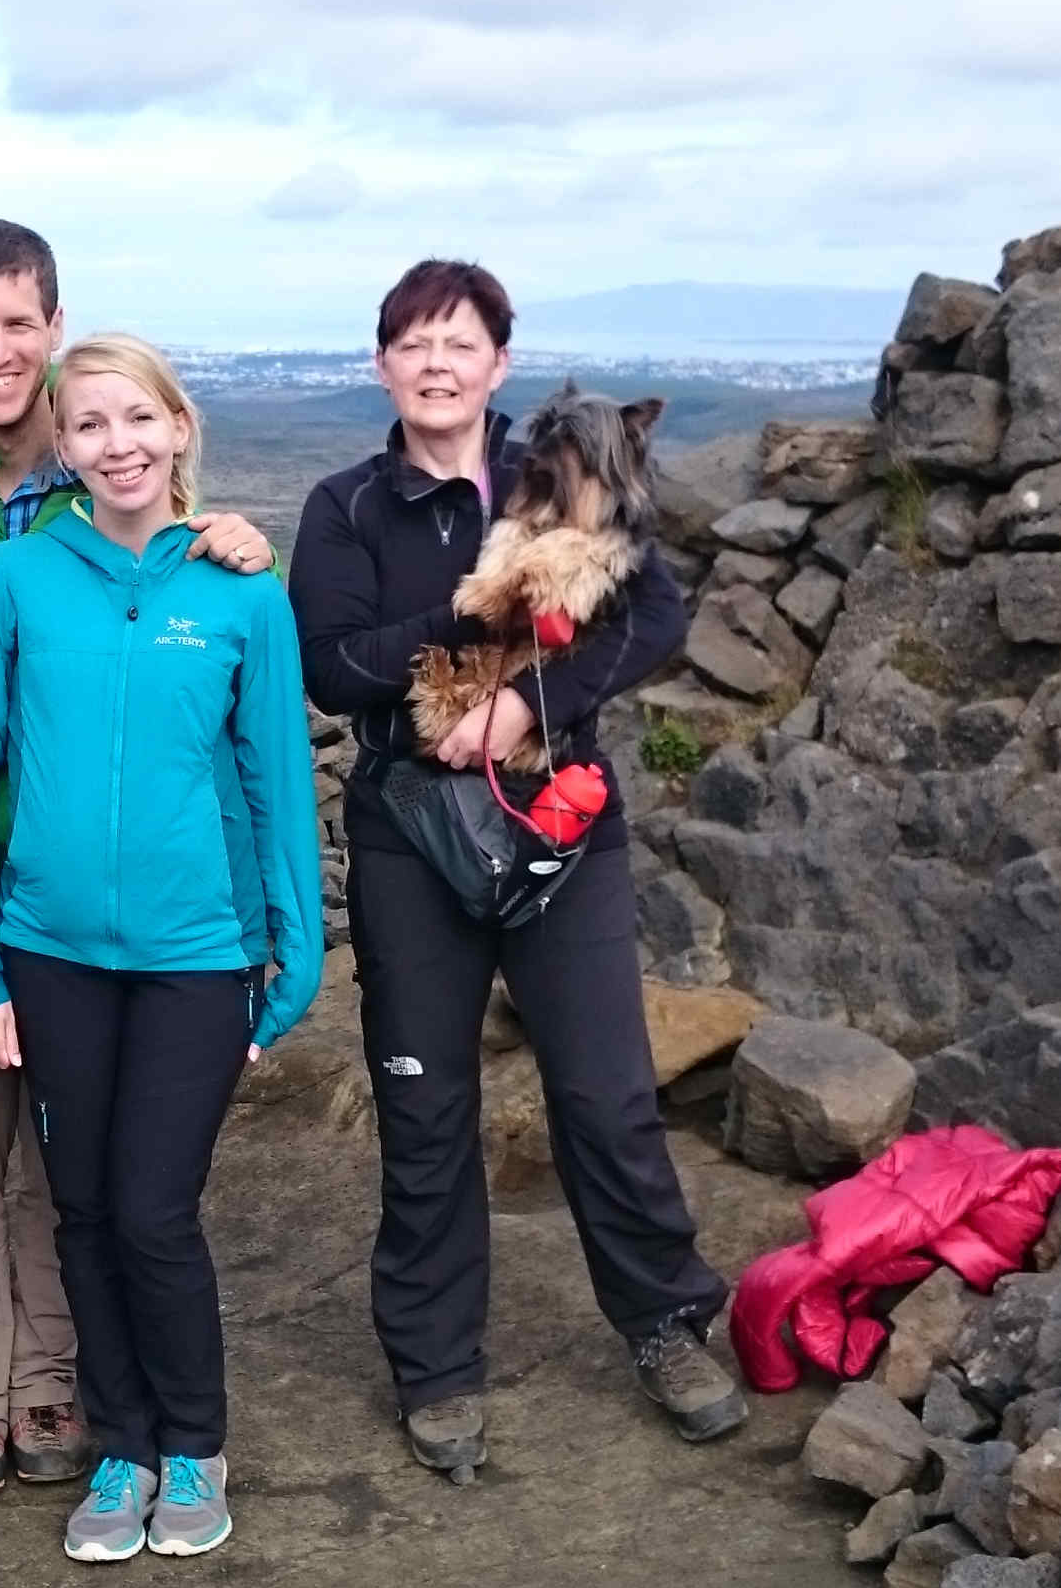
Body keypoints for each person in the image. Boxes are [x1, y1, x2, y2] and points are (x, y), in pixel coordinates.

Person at [285, 259, 752, 1482]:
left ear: (499, 359)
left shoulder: (558, 464)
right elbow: (331, 667)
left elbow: (655, 612)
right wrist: (471, 624)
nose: (435, 364)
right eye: (411, 344)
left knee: (604, 1093)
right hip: (409, 836)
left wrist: (531, 696)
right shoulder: (346, 507)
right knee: (426, 1108)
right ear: (383, 364)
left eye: (460, 343)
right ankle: (438, 1367)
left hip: (558, 820)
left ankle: (664, 1324)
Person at [0, 219, 279, 1500]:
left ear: (53, 326)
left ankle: (62, 1392)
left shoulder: (114, 469)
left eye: (18, 322)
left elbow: (184, 590)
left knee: (77, 1177)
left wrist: (231, 534)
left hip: (124, 901)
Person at [0, 334, 321, 1563]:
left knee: (155, 1210)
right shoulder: (11, 582)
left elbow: (276, 780)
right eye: (90, 426)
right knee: (86, 1210)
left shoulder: (244, 593)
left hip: (198, 956)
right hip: (48, 950)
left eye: (137, 419)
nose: (118, 446)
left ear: (178, 426)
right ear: (63, 447)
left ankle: (195, 1444)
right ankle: (122, 1450)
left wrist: (294, 955)